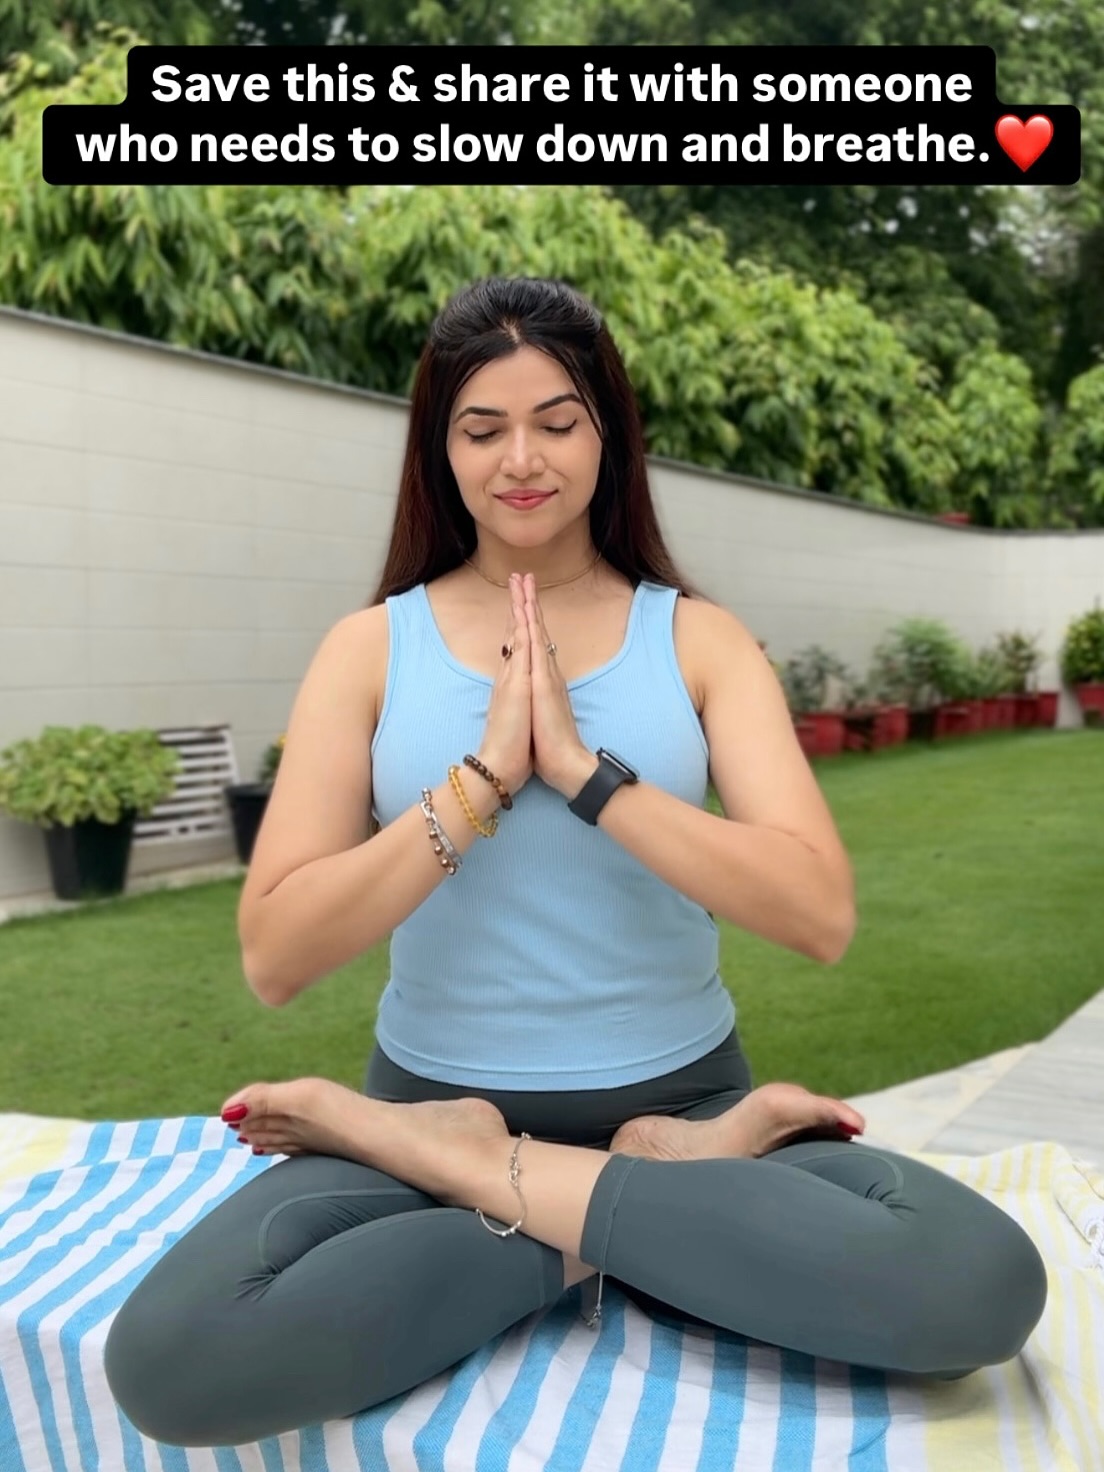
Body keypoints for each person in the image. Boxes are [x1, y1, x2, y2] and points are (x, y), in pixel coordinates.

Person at [103, 276, 1047, 1449]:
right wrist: (485, 780)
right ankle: (566, 1201)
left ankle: (490, 1172)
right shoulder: (369, 648)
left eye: (556, 420)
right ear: (439, 448)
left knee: (977, 1287)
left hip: (688, 1110)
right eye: (482, 428)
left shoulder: (699, 639)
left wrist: (585, 775)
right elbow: (276, 953)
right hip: (434, 1104)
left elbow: (818, 913)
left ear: (608, 431)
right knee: (174, 1362)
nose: (522, 459)